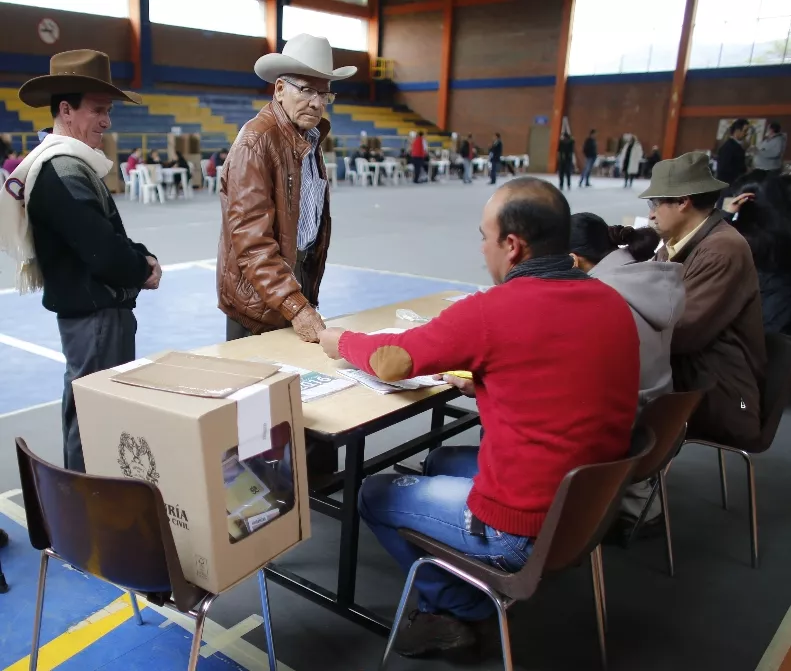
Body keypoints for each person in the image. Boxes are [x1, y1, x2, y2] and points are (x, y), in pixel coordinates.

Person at [318, 177, 640, 658]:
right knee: (439, 460)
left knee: (373, 492)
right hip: (585, 509)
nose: (482, 248)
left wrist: (339, 340)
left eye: (484, 237)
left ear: (512, 246)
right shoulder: (612, 303)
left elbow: (393, 359)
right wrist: (491, 383)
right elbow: (560, 373)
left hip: (521, 530)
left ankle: (458, 608)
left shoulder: (494, 311)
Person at [0, 50, 161, 472]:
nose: (106, 121)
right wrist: (143, 267)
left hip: (93, 317)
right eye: (97, 110)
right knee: (95, 420)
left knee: (92, 414)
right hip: (95, 318)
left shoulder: (69, 163)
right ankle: (86, 502)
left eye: (108, 111)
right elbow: (103, 252)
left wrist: (140, 255)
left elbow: (104, 235)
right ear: (66, 110)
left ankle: (89, 498)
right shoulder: (63, 169)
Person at [217, 33, 356, 347]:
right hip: (257, 295)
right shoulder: (256, 141)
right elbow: (252, 243)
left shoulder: (309, 137)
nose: (317, 102)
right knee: (260, 376)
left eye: (324, 93)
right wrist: (296, 306)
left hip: (295, 277)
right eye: (307, 90)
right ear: (280, 89)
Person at [570, 213, 685, 535]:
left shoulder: (600, 298)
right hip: (654, 423)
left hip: (619, 435)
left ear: (573, 261)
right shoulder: (651, 280)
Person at [644, 152, 766, 449]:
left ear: (683, 202)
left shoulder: (722, 250)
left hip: (726, 396)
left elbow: (680, 332)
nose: (651, 215)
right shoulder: (676, 244)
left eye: (655, 203)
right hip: (695, 378)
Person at [723, 171, 791, 335]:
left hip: (755, 327)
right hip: (777, 320)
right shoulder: (779, 233)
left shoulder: (738, 239)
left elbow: (703, 247)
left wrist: (726, 215)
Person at [716, 118, 749, 185]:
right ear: (737, 131)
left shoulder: (737, 146)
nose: (746, 134)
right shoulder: (728, 147)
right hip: (729, 184)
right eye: (745, 131)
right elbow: (724, 168)